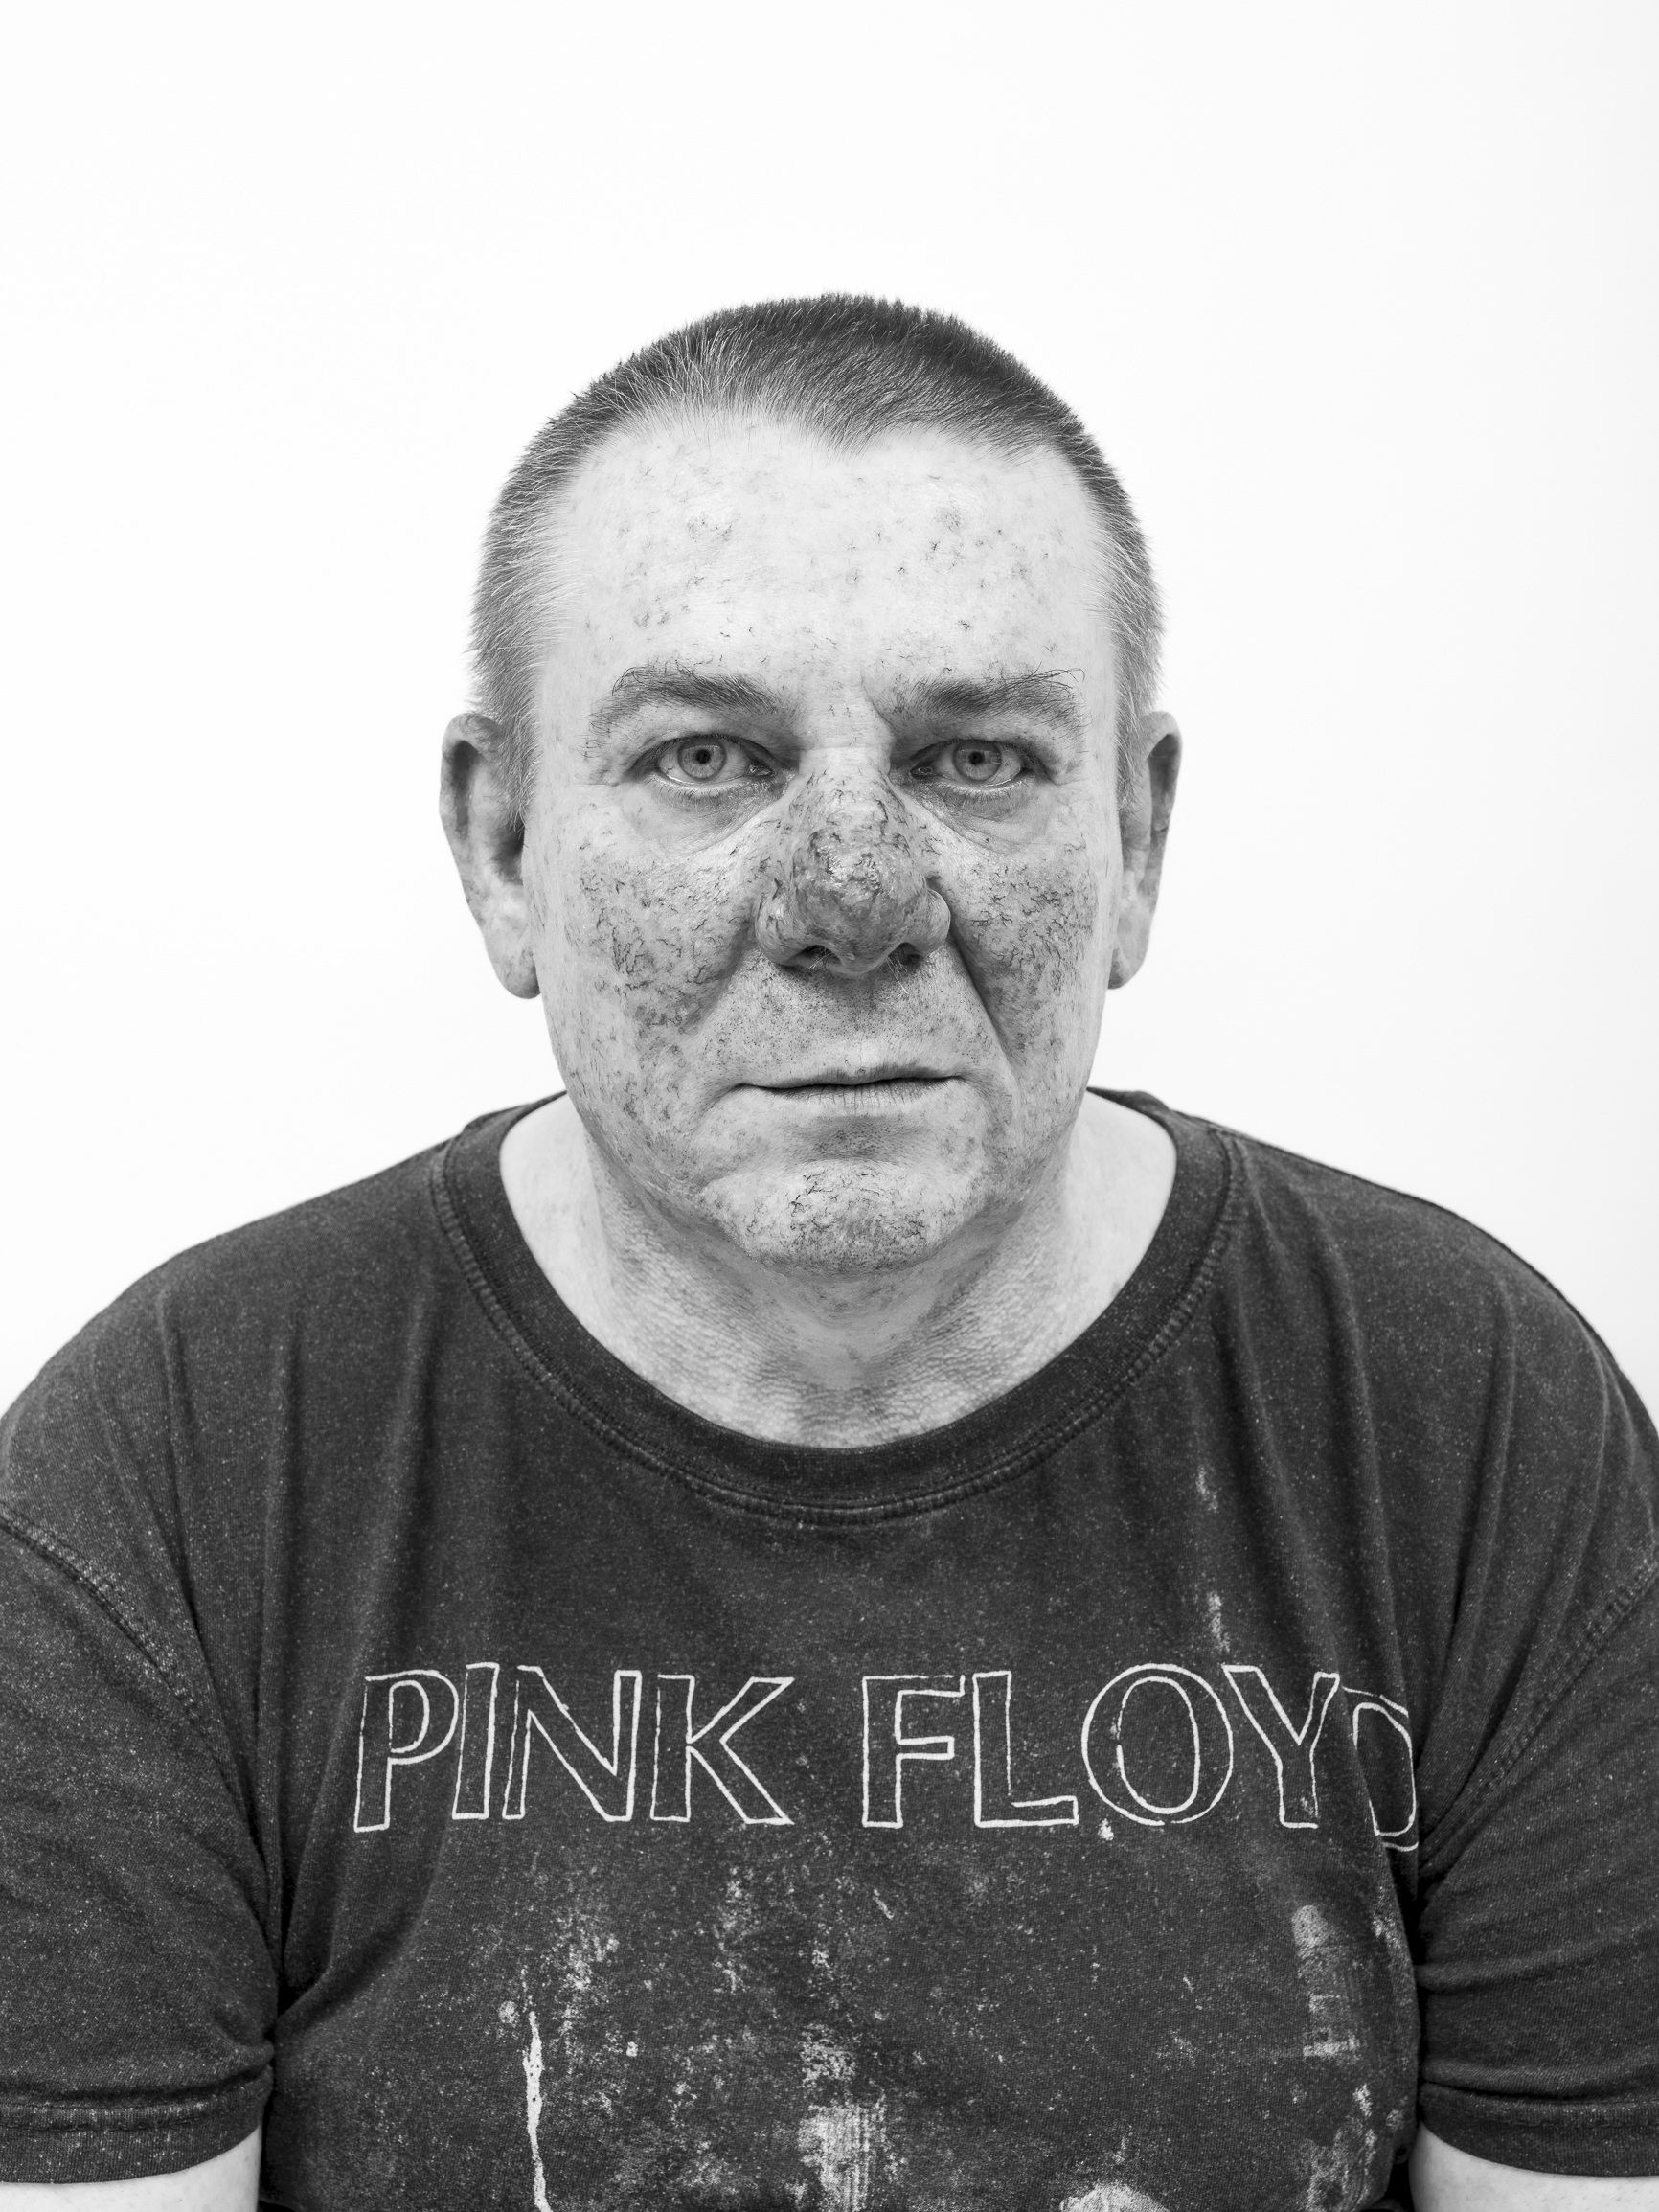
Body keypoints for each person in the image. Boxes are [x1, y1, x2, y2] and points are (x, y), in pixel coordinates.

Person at [0, 297, 1654, 2212]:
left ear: (1135, 839)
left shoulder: (1470, 1428)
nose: (850, 900)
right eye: (706, 757)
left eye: (980, 759)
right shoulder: (177, 1472)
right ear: (501, 845)